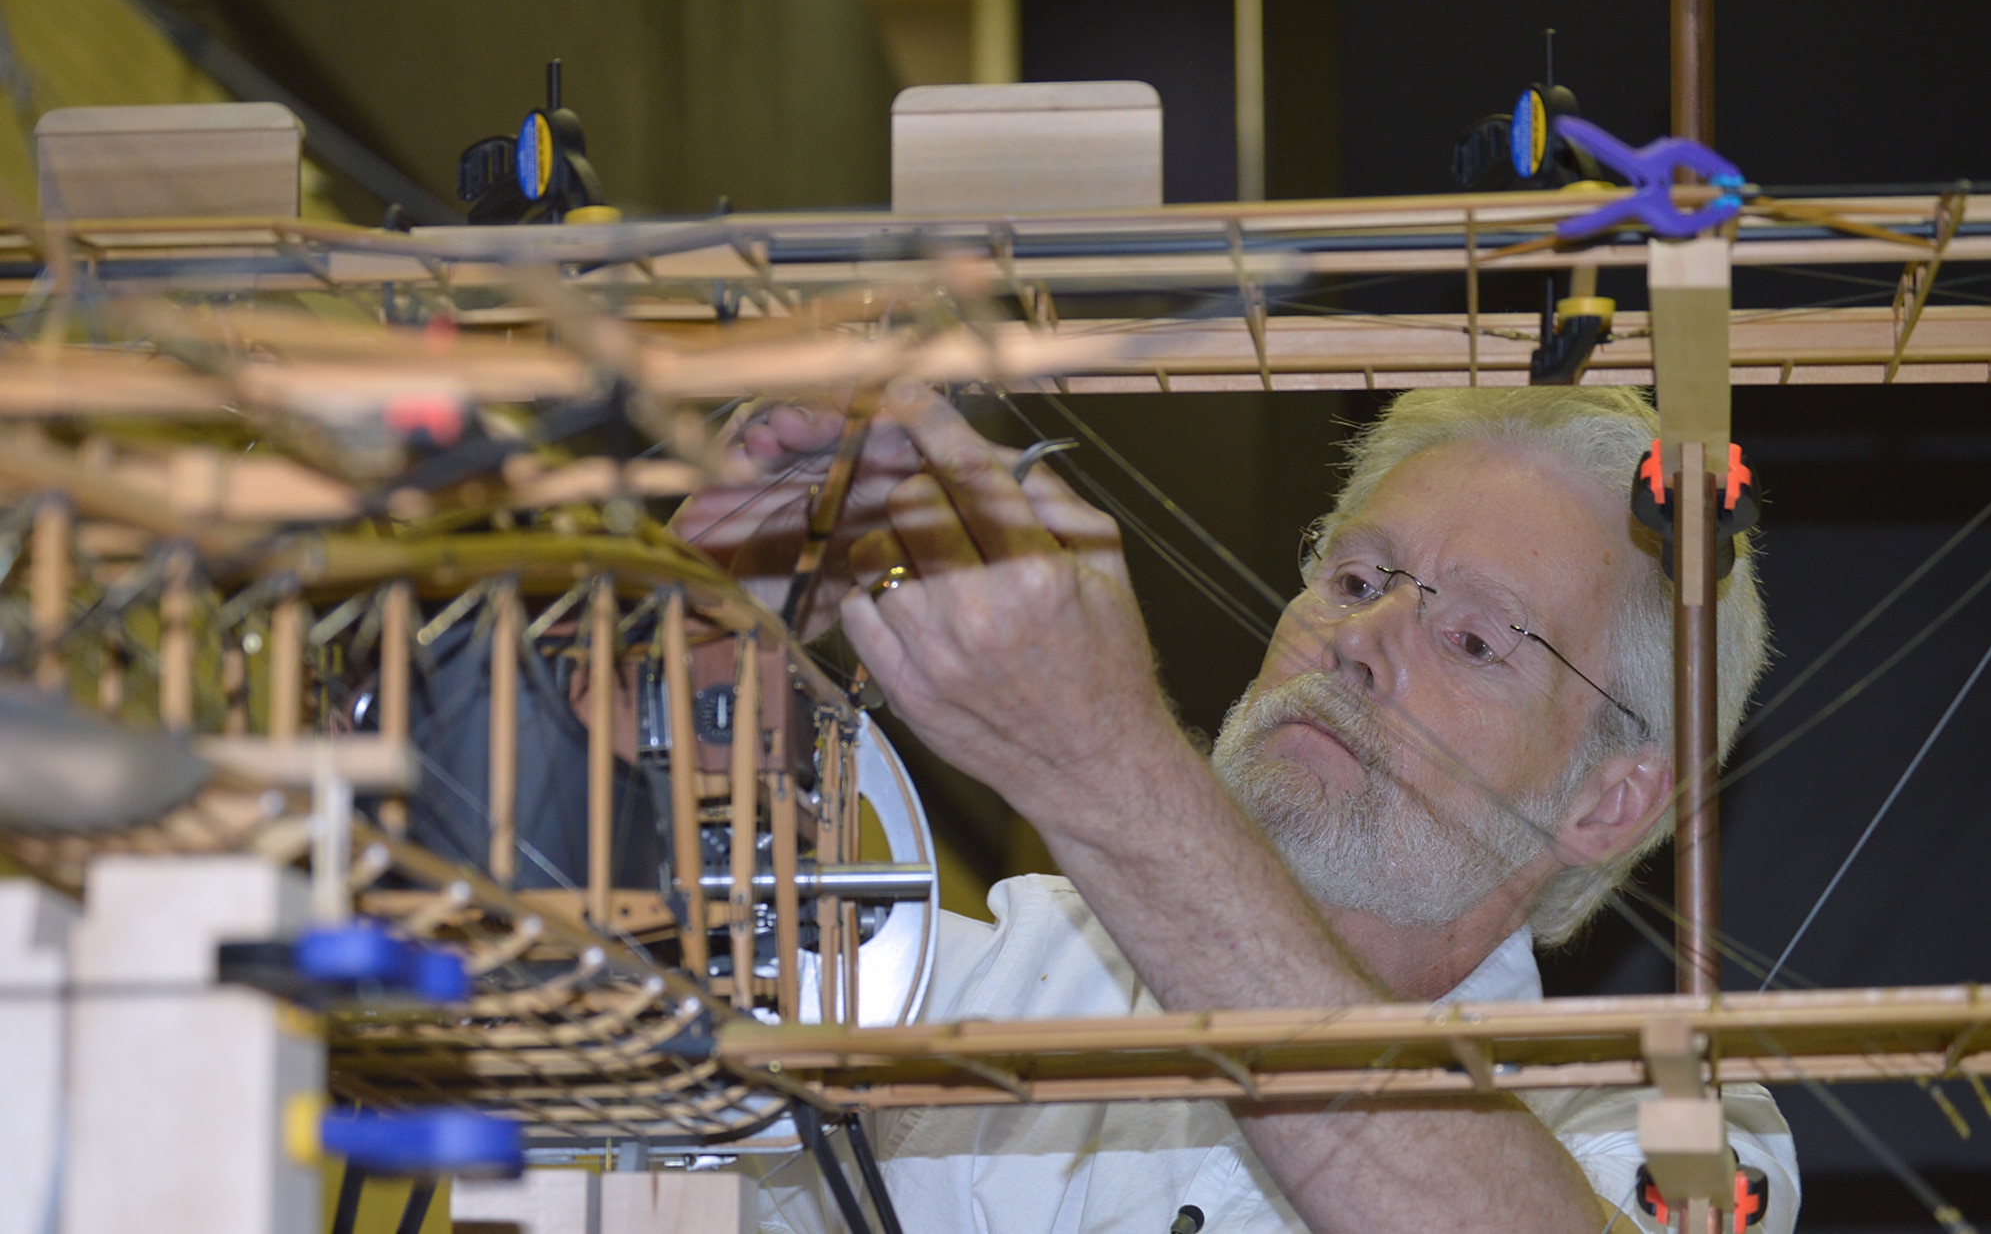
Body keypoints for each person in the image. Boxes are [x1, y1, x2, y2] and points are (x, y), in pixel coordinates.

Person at [672, 383, 1799, 1234]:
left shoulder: (1663, 1120)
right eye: (1353, 582)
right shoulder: (1004, 965)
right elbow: (589, 1019)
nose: (1355, 644)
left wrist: (1100, 763)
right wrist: (679, 646)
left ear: (1607, 800)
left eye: (1468, 639)